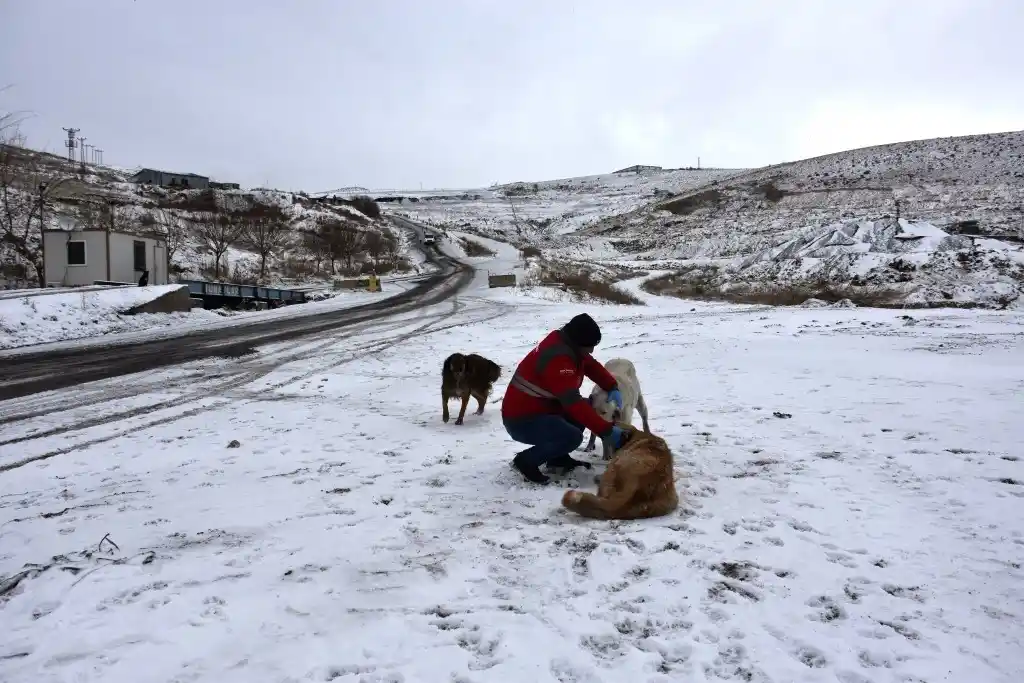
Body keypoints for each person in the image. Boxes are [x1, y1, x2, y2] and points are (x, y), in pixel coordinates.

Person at [501, 313, 627, 484]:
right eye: (589, 346)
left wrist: (611, 386)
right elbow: (573, 403)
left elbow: (589, 364)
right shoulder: (558, 358)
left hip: (542, 409)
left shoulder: (567, 344)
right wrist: (606, 431)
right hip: (522, 420)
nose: (591, 350)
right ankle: (526, 461)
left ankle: (558, 458)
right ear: (578, 341)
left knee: (587, 406)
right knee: (571, 437)